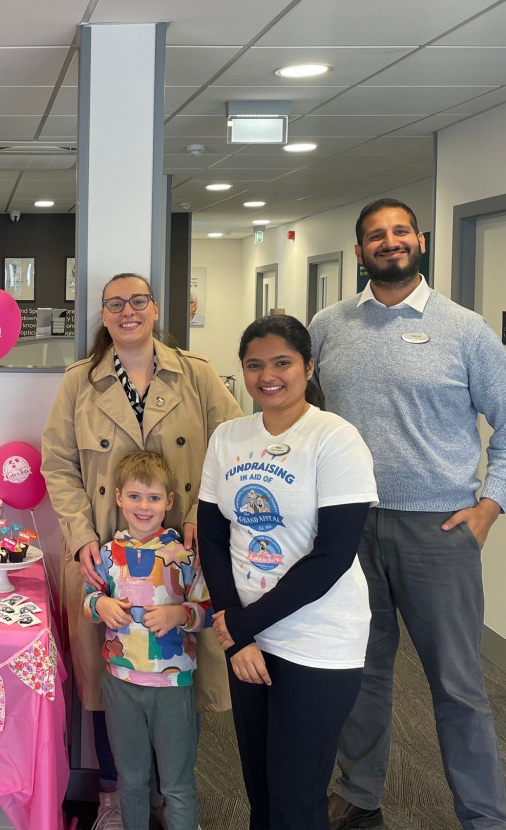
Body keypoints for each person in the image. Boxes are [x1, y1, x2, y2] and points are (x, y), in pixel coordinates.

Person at [309, 199, 506, 830]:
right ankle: (360, 791)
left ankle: (482, 814)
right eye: (374, 236)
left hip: (438, 530)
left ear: (419, 241)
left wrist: (490, 506)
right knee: (360, 672)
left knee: (458, 686)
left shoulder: (466, 330)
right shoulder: (328, 325)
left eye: (399, 232)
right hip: (348, 527)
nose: (388, 243)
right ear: (360, 249)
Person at [42, 271, 241, 830]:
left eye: (138, 301)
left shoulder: (196, 375)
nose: (127, 312)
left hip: (184, 553)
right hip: (104, 557)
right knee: (109, 678)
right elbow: (56, 462)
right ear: (102, 315)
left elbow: (234, 446)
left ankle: (172, 792)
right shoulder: (80, 382)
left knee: (184, 673)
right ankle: (113, 793)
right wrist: (81, 535)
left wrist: (205, 512)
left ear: (155, 309)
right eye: (115, 304)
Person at [197, 315, 378, 830]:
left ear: (308, 366)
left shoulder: (335, 438)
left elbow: (333, 556)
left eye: (282, 362)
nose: (267, 375)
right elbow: (211, 537)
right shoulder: (228, 437)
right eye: (254, 365)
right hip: (248, 636)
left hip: (318, 640)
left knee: (295, 800)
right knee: (261, 791)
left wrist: (240, 627)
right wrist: (237, 634)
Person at [85, 450, 211, 830]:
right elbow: (89, 602)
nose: (144, 506)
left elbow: (205, 607)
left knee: (177, 783)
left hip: (172, 685)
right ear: (120, 497)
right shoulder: (108, 554)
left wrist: (180, 614)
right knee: (132, 780)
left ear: (169, 502)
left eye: (154, 498)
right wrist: (101, 604)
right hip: (121, 682)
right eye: (136, 497)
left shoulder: (183, 556)